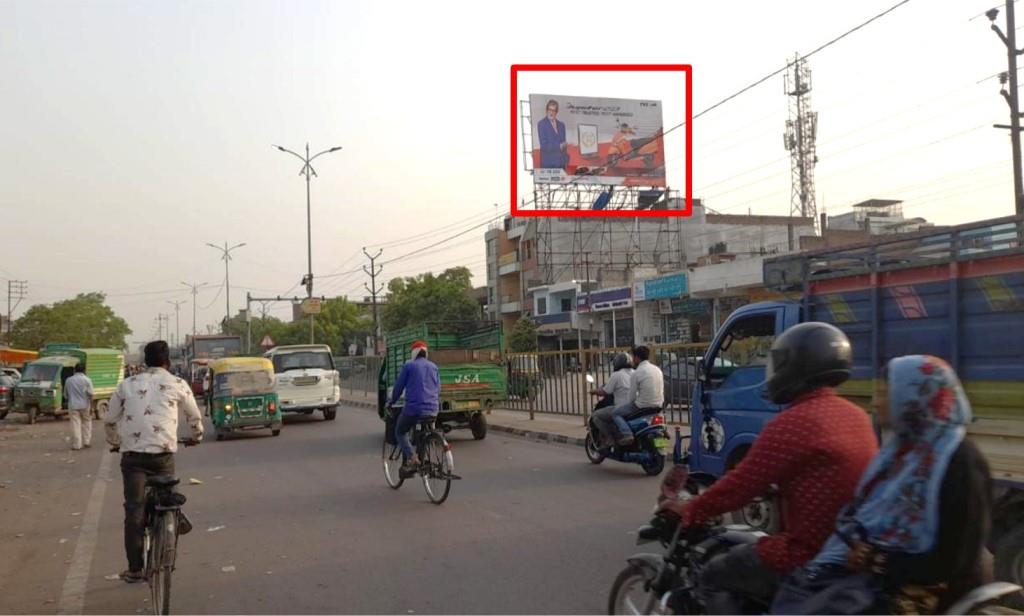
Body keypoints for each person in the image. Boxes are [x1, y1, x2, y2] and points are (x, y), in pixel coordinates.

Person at [663, 322, 879, 614]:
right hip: (847, 549)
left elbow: (739, 487)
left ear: (796, 366)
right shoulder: (857, 416)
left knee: (713, 574)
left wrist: (691, 509)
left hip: (806, 553)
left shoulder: (793, 423)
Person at [771, 355, 992, 615]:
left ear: (913, 399)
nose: (876, 404)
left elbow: (953, 560)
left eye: (885, 394)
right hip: (879, 576)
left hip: (932, 589)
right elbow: (864, 514)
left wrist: (875, 560)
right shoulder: (901, 454)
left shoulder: (960, 462)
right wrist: (861, 551)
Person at [104, 340, 204, 583]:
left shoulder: (126, 385)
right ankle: (173, 524)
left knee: (134, 511)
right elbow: (194, 417)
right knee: (169, 499)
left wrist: (115, 442)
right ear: (167, 362)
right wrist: (196, 437)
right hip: (163, 456)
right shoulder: (178, 382)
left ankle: (136, 569)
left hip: (133, 458)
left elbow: (109, 419)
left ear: (144, 362)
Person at [386, 340, 440, 476]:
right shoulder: (434, 367)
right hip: (433, 409)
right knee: (424, 433)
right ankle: (421, 458)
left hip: (414, 409)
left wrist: (391, 401)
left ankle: (412, 457)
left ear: (413, 353)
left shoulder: (409, 366)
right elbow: (438, 388)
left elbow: (398, 388)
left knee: (400, 431)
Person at [598, 346, 664, 447]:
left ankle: (627, 434)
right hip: (658, 406)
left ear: (637, 358)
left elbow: (632, 397)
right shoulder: (657, 369)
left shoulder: (637, 373)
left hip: (642, 406)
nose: (633, 360)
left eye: (633, 357)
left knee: (616, 413)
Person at [589, 352, 634, 440]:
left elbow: (605, 391)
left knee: (596, 415)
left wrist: (593, 391)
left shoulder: (616, 375)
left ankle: (609, 438)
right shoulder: (635, 373)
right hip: (635, 407)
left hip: (622, 407)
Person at [64, 363, 94, 450]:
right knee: (87, 423)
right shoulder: (87, 380)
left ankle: (77, 445)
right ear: (84, 370)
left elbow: (66, 395)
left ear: (74, 370)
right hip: (85, 405)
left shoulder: (68, 380)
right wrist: (92, 407)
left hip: (73, 405)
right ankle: (87, 442)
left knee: (75, 425)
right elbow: (91, 394)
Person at [536, 98, 569, 169]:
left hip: (561, 165)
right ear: (546, 110)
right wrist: (559, 146)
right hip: (549, 166)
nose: (551, 112)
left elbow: (563, 146)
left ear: (556, 112)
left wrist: (566, 160)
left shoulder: (562, 125)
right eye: (549, 110)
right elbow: (544, 146)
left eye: (553, 110)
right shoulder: (541, 124)